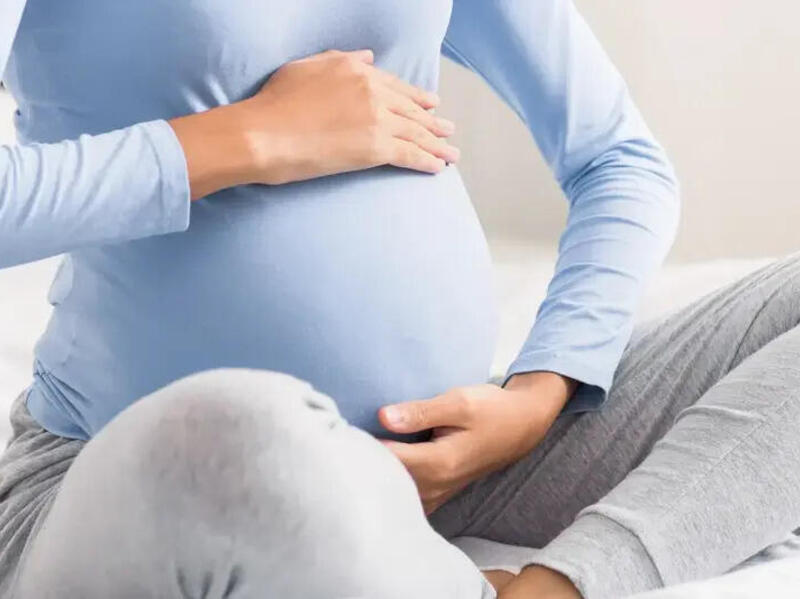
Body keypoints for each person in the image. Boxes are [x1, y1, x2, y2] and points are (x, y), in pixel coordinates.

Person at [0, 1, 798, 597]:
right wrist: (250, 137)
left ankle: (565, 585)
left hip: (456, 461)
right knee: (245, 434)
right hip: (149, 472)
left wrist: (536, 396)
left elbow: (621, 160)